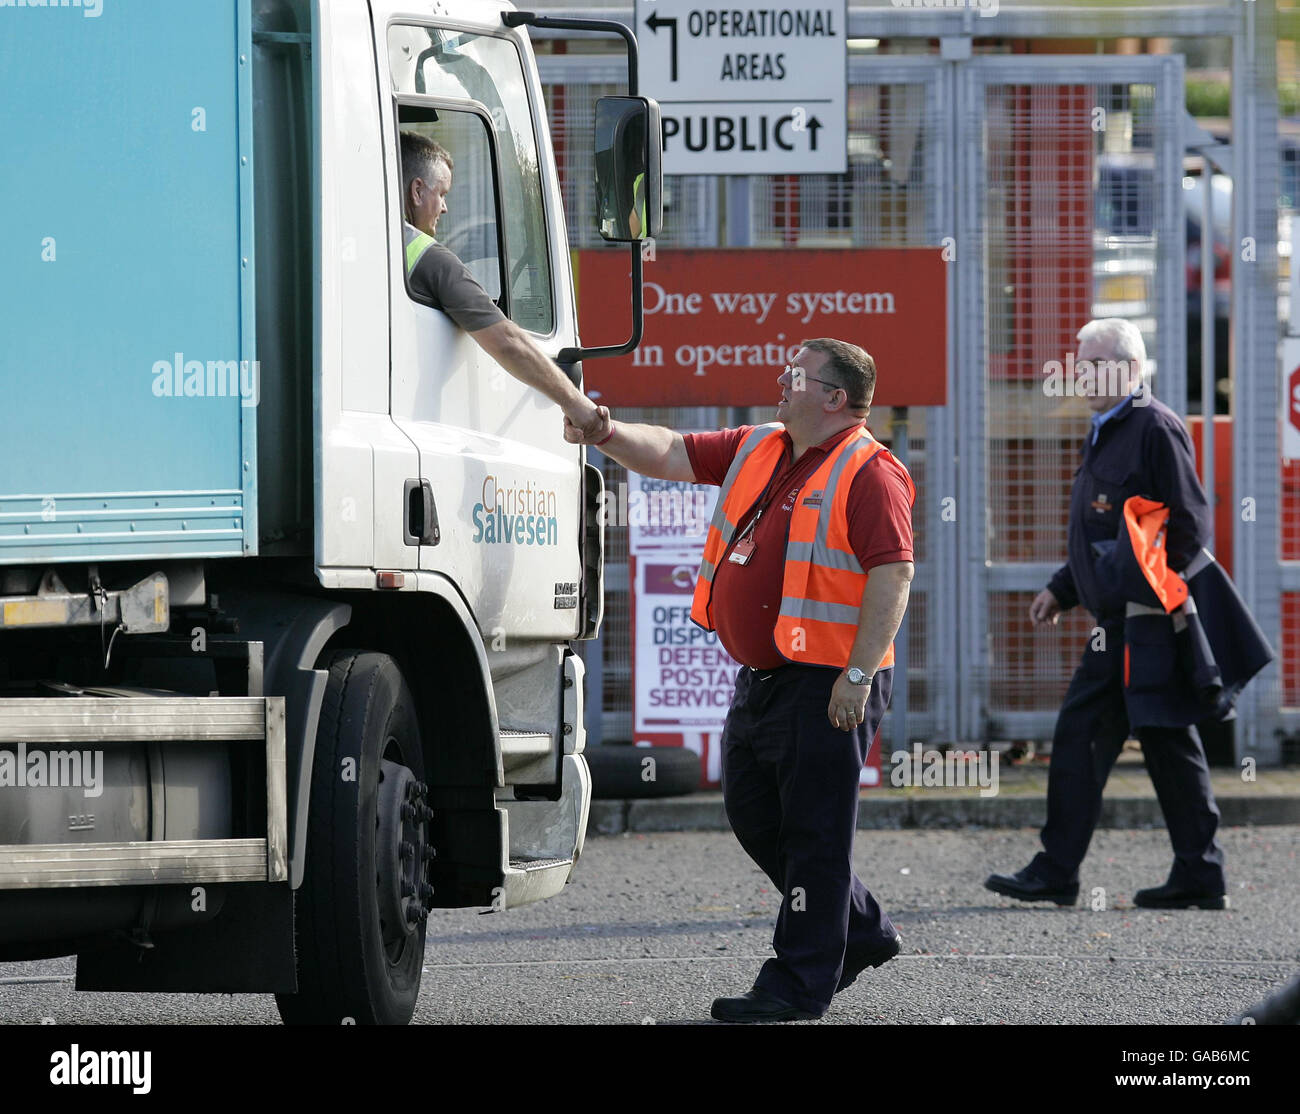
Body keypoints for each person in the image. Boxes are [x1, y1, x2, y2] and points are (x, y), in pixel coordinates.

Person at [566, 338, 916, 1023]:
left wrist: (857, 671)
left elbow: (894, 574)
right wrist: (603, 429)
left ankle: (796, 985)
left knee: (815, 836)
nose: (781, 382)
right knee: (758, 817)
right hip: (764, 678)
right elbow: (669, 452)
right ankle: (862, 930)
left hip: (827, 681)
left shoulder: (871, 471)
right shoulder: (762, 444)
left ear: (835, 398)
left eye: (797, 376)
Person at [986, 318, 1235, 910]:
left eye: (1091, 363)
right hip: (1119, 624)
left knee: (1100, 736)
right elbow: (1104, 527)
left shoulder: (1154, 427)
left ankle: (1060, 871)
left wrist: (1136, 588)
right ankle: (1195, 874)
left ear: (1127, 368)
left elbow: (1188, 528)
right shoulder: (1107, 428)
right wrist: (1063, 588)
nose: (1079, 373)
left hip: (1143, 622)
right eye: (1078, 361)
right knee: (1158, 741)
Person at [399, 131, 608, 438]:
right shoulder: (427, 258)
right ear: (417, 191)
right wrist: (576, 404)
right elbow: (506, 340)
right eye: (442, 194)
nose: (444, 208)